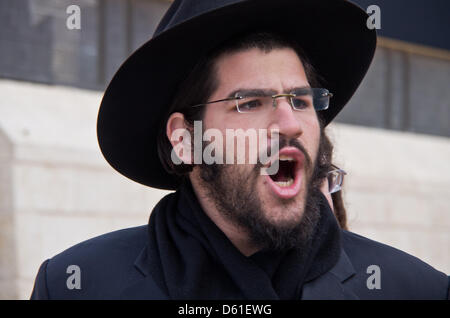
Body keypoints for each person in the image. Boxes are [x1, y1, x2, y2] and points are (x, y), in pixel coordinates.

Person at [31, 0, 449, 299]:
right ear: (186, 139)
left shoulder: (416, 289)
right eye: (250, 103)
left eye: (301, 101)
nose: (289, 124)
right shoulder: (79, 283)